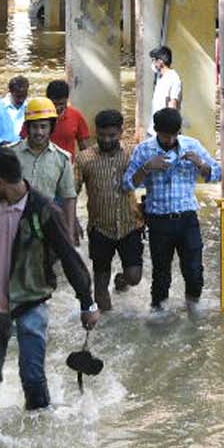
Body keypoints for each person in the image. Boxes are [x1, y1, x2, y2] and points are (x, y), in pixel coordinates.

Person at [0, 148, 98, 409]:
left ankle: (38, 436)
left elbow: (70, 258)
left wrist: (87, 303)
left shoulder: (44, 211)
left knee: (32, 378)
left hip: (30, 305)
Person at [122, 107, 220, 311]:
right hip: (158, 220)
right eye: (165, 136)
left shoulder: (192, 146)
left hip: (187, 218)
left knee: (194, 270)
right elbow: (128, 184)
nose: (169, 140)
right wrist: (147, 167)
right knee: (161, 274)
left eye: (174, 135)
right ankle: (159, 316)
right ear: (156, 131)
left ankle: (193, 311)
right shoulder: (144, 150)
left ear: (179, 132)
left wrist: (201, 163)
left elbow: (217, 174)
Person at [76, 109, 145, 310]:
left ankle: (122, 279)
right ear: (95, 132)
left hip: (130, 225)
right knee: (100, 284)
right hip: (100, 228)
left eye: (112, 136)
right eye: (102, 135)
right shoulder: (84, 159)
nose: (107, 140)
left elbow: (147, 179)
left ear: (121, 132)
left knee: (134, 277)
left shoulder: (132, 154)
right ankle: (108, 324)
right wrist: (70, 220)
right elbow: (72, 190)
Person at [16, 96, 81, 243]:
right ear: (28, 128)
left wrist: (69, 234)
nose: (39, 132)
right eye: (34, 127)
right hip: (16, 225)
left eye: (43, 127)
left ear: (51, 128)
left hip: (47, 226)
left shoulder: (62, 158)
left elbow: (68, 197)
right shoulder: (12, 155)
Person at [46, 79, 94, 157]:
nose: (58, 108)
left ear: (67, 99)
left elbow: (85, 148)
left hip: (68, 167)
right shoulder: (37, 117)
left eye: (61, 104)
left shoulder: (76, 116)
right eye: (54, 104)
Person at [0, 73, 24, 149]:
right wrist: (4, 144)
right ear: (11, 92)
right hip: (2, 154)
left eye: (24, 96)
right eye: (18, 96)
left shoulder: (29, 108)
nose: (21, 100)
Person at [150, 46, 182, 115]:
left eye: (153, 60)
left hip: (165, 123)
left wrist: (168, 124)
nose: (152, 63)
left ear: (160, 61)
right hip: (157, 122)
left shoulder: (173, 78)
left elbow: (173, 103)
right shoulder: (161, 76)